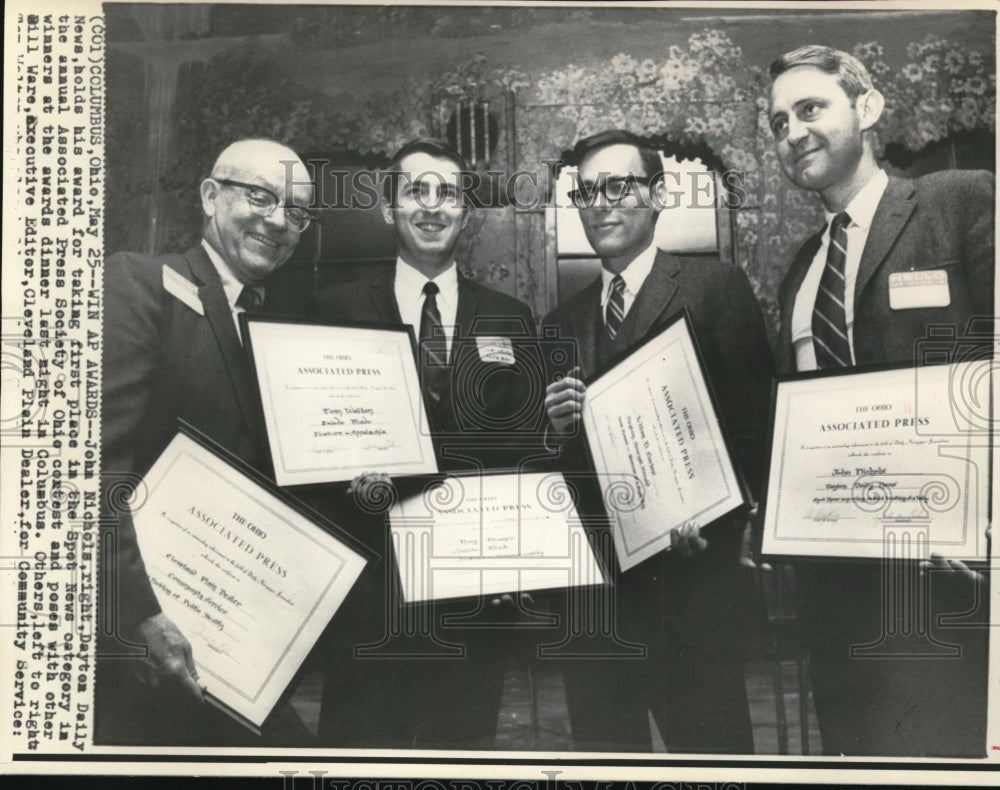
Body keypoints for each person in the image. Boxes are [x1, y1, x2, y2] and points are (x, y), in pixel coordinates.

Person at [768, 44, 993, 757]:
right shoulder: (800, 271)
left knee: (943, 753)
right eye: (777, 122)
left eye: (811, 109)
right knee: (857, 752)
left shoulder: (960, 201)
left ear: (867, 109)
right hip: (834, 586)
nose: (792, 132)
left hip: (946, 572)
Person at [541, 129, 774, 752]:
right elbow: (553, 469)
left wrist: (722, 521)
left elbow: (758, 427)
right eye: (587, 191)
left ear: (660, 194)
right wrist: (557, 429)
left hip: (692, 593)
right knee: (606, 761)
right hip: (595, 608)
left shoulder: (714, 288)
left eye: (620, 186)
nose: (602, 203)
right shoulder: (560, 321)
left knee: (715, 757)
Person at [312, 137, 543, 749]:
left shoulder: (512, 319)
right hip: (369, 598)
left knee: (460, 759)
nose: (433, 206)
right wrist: (344, 480)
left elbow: (524, 453)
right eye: (416, 190)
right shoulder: (332, 313)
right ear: (389, 208)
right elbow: (307, 448)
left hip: (473, 604)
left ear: (467, 212)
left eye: (449, 193)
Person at [97, 138, 315, 745]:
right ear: (210, 195)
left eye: (296, 213)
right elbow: (91, 468)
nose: (278, 221)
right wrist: (137, 612)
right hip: (139, 647)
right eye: (261, 196)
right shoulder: (139, 283)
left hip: (235, 642)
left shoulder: (280, 323)